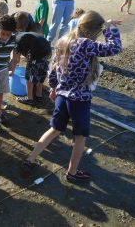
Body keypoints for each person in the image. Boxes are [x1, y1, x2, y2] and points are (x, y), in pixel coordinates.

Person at [23, 11, 122, 182]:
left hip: (62, 95)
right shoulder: (86, 44)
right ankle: (72, 172)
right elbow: (115, 48)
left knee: (54, 129)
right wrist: (108, 28)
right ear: (94, 31)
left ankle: (30, 159)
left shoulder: (63, 41)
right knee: (80, 137)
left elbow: (53, 68)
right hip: (80, 99)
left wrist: (53, 88)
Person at [13, 32, 51, 105]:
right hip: (47, 50)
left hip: (38, 53)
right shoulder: (24, 36)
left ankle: (29, 98)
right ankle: (39, 95)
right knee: (41, 72)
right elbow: (27, 53)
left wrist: (12, 70)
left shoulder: (16, 42)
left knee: (29, 76)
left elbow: (15, 60)